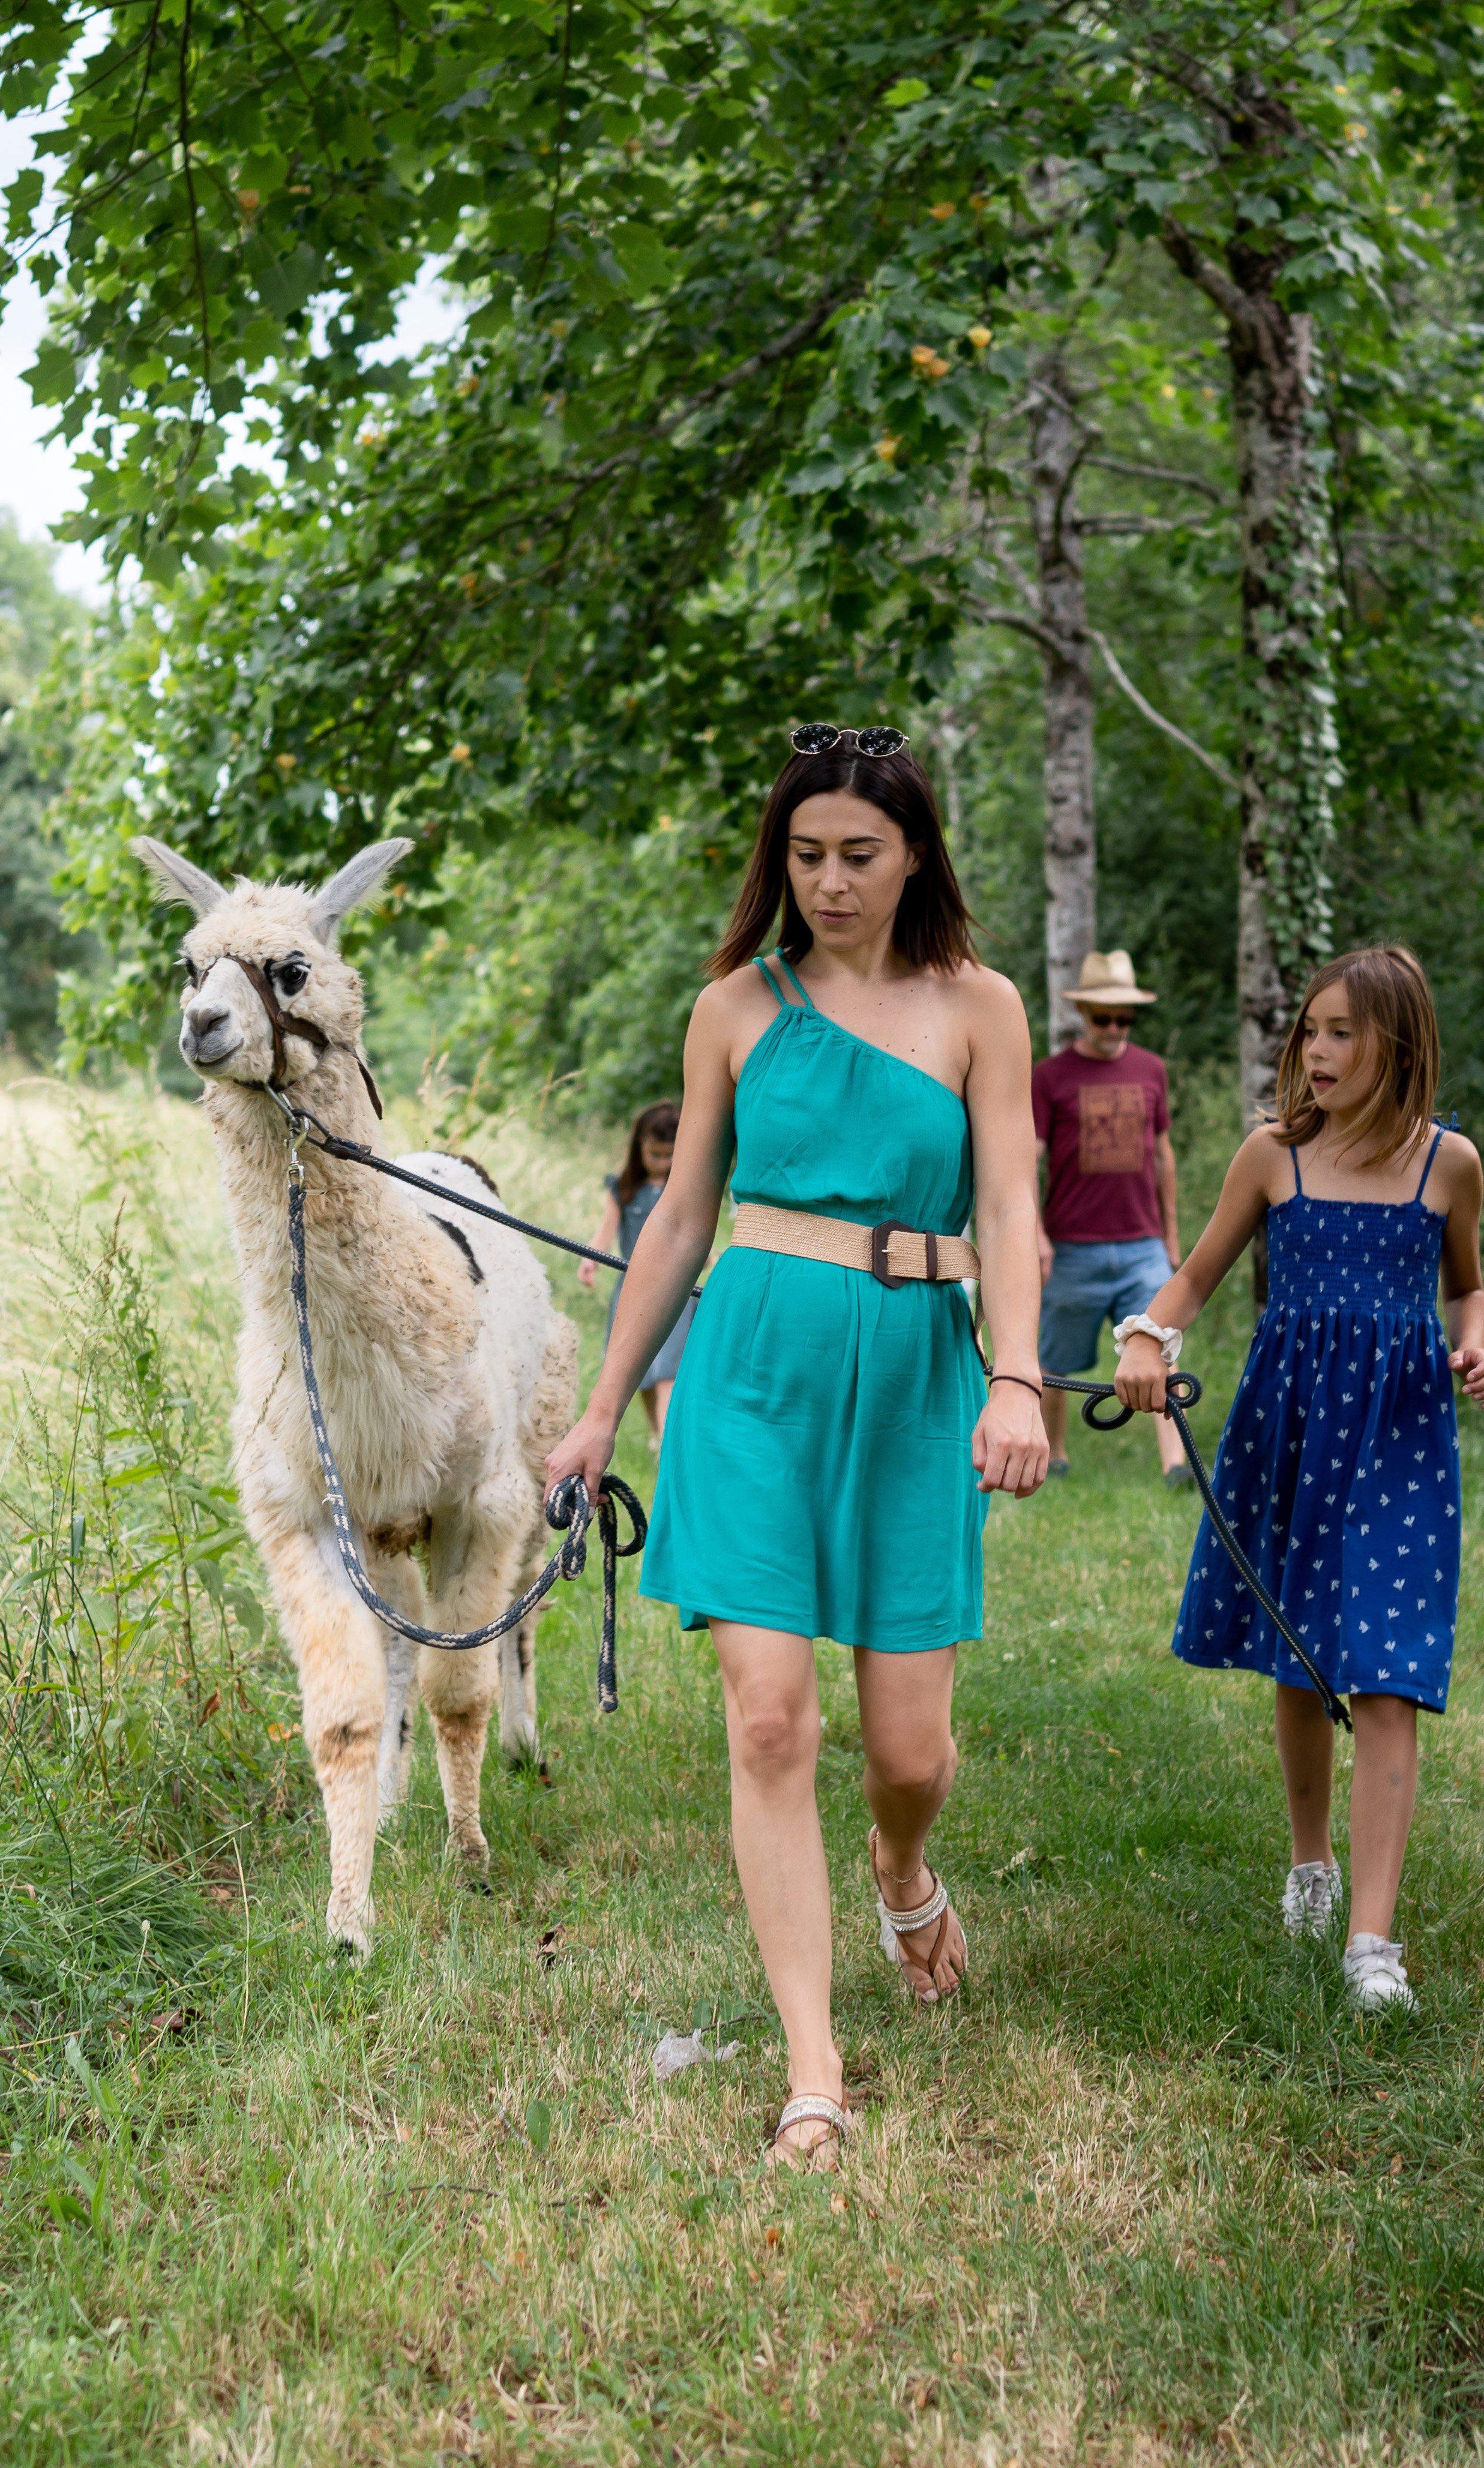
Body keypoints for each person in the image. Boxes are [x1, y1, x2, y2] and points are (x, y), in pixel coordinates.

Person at [540, 724, 1051, 2171]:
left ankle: (902, 1865)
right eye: (806, 855)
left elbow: (1010, 1207)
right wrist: (597, 1406)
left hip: (912, 1385)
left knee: (910, 1747)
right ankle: (812, 2070)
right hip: (751, 1370)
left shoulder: (980, 1009)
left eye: (859, 855)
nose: (828, 882)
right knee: (770, 1718)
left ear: (915, 856)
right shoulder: (733, 1010)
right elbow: (679, 1222)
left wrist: (1014, 1377)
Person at [1112, 945, 1484, 2017]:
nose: (1317, 1051)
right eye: (1309, 1031)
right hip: (1289, 1430)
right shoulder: (1272, 1157)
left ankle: (1371, 1942)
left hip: (1400, 1435)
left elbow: (1467, 1290)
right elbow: (1192, 1275)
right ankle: (1309, 1864)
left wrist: (1473, 1345)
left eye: (1343, 1033)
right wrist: (1148, 1334)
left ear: (1401, 1046)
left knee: (1386, 1669)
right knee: (1301, 1653)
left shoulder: (1446, 1166)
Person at [1029, 950, 1188, 1484]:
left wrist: (1171, 1236)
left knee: (1159, 1352)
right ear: (1084, 1015)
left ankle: (1176, 1463)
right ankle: (1054, 1455)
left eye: (1124, 1018)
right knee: (1055, 1361)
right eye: (1104, 1018)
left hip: (1142, 1243)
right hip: (1073, 1245)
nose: (1115, 1028)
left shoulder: (1151, 1070)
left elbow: (1163, 1156)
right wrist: (1036, 1235)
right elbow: (1029, 1161)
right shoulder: (1050, 1077)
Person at [579, 1101, 694, 1444]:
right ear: (639, 1147)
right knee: (639, 1368)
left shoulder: (686, 1190)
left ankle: (669, 1444)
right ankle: (659, 1437)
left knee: (668, 1371)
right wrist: (590, 1258)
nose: (663, 1162)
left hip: (677, 1288)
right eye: (655, 1154)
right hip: (632, 1288)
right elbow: (604, 1232)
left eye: (670, 1155)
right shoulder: (623, 1190)